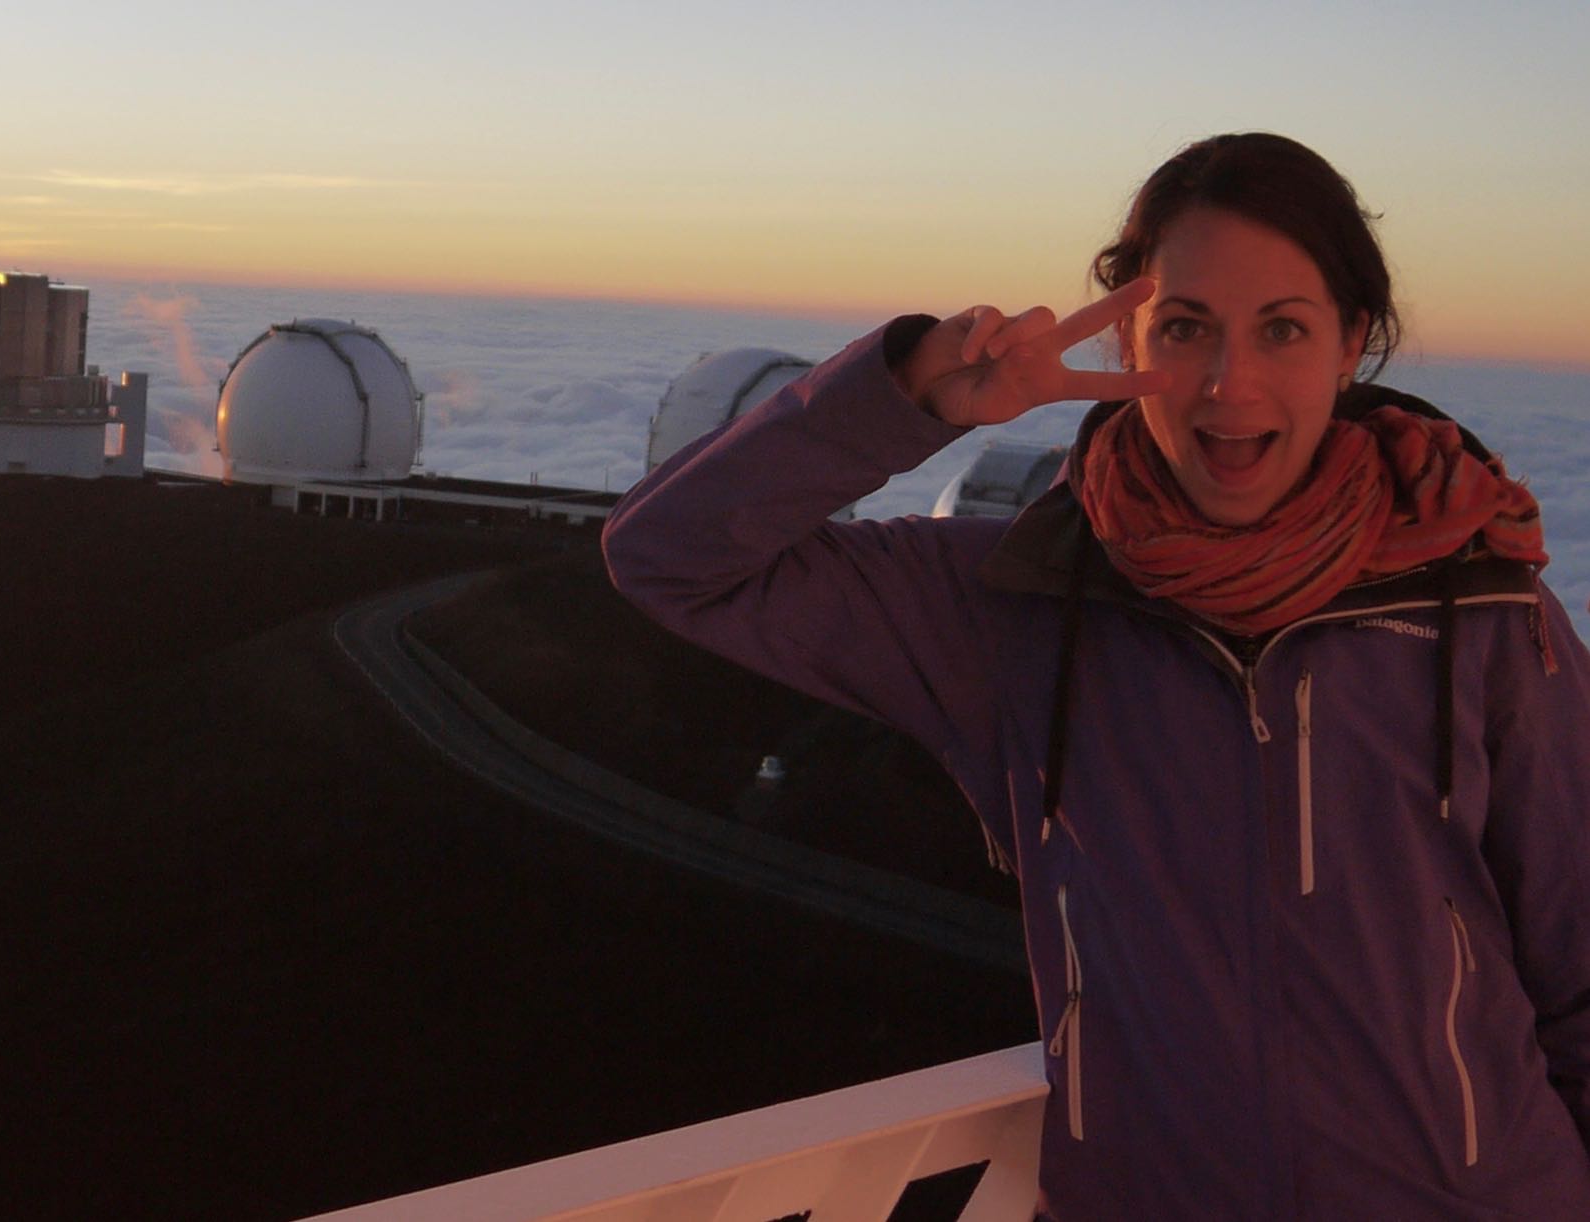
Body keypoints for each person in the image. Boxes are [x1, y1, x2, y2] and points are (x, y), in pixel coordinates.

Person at [602, 132, 1590, 1218]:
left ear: (1351, 342)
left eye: (1284, 329)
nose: (1230, 381)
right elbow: (672, 560)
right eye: (1184, 327)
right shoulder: (1011, 608)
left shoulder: (1479, 607)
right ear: (1126, 334)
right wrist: (912, 398)